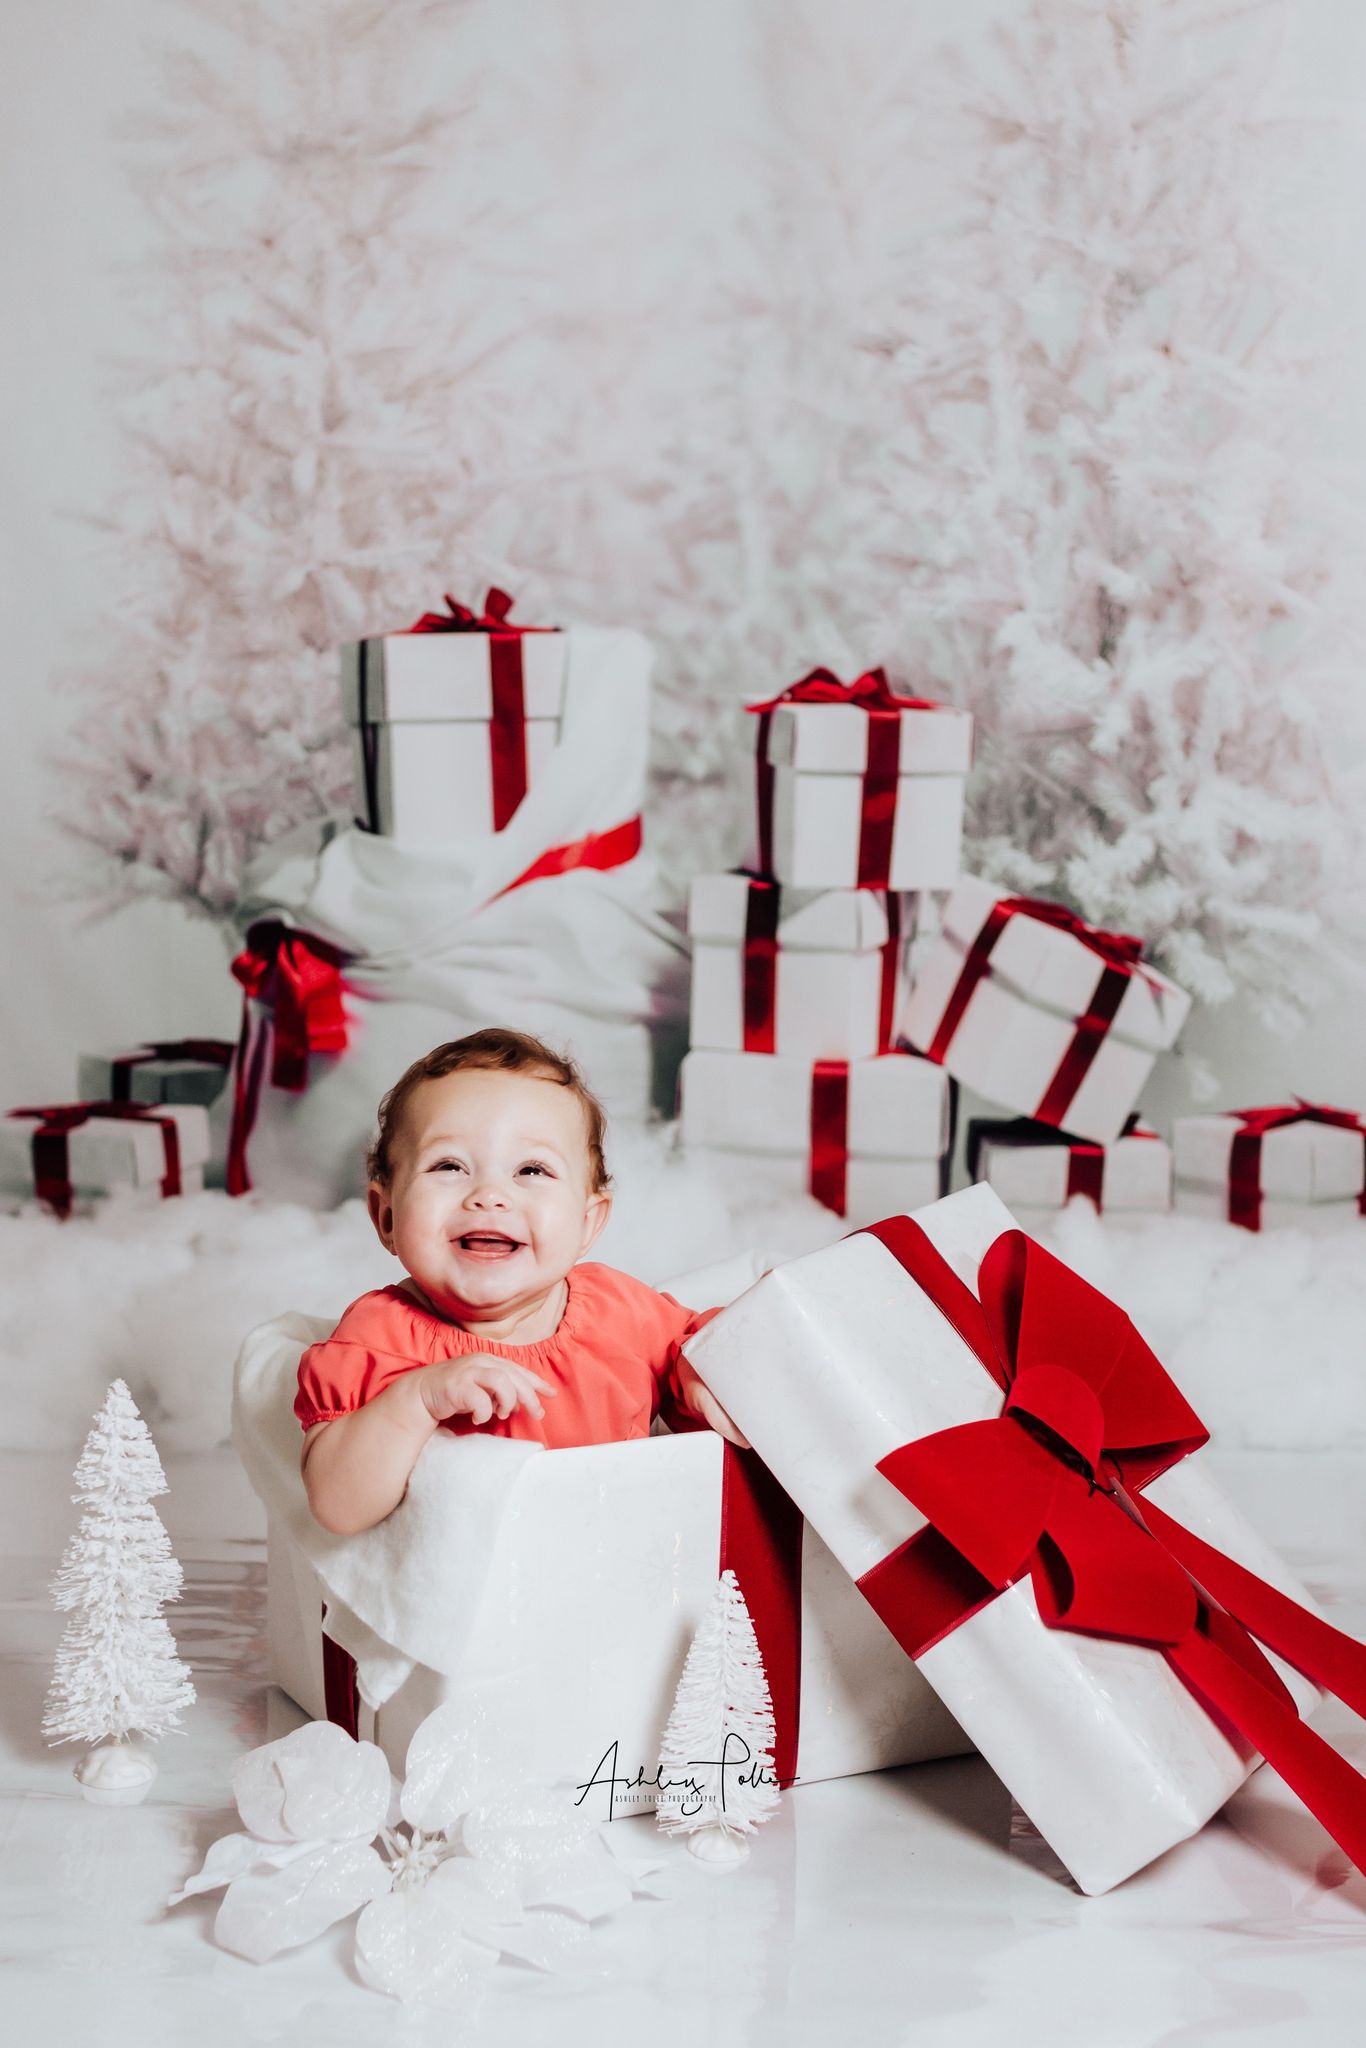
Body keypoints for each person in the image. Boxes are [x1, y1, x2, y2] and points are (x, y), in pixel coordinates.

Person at [296, 1027, 748, 1535]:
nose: (489, 1195)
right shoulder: (382, 1337)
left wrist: (697, 1373)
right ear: (386, 1216)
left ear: (587, 1223)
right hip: (474, 1596)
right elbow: (337, 1506)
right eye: (449, 1165)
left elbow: (697, 1346)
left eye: (531, 1170)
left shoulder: (619, 1310)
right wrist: (418, 1400)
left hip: (617, 1566)